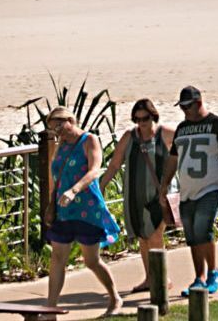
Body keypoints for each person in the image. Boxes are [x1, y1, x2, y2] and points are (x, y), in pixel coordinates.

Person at [162, 86, 218, 296]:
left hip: (212, 188)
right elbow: (173, 159)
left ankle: (213, 273)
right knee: (191, 234)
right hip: (187, 191)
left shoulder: (217, 124)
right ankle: (199, 278)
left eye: (188, 106)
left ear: (199, 103)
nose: (184, 111)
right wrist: (163, 184)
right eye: (182, 107)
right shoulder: (182, 129)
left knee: (203, 225)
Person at [43, 107, 122, 313]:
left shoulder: (89, 140)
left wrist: (74, 190)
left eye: (59, 126)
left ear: (71, 120)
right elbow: (55, 178)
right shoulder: (61, 145)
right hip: (64, 210)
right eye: (53, 129)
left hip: (87, 208)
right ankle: (51, 308)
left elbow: (95, 170)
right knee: (58, 257)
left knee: (91, 261)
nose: (58, 132)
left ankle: (114, 296)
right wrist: (52, 203)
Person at [101, 99, 177, 296]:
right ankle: (149, 278)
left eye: (146, 118)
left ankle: (162, 277)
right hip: (135, 195)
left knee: (155, 235)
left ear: (154, 116)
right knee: (143, 237)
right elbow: (115, 164)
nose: (142, 123)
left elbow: (185, 151)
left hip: (160, 195)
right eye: (138, 119)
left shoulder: (165, 133)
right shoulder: (130, 137)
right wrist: (101, 187)